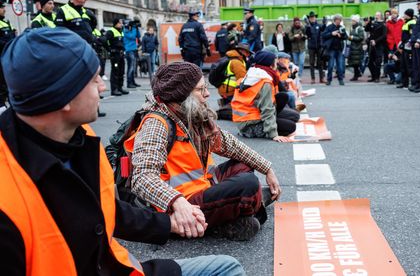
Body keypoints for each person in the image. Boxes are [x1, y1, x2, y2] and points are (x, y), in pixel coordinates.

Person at [0, 27, 245, 276]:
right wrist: (175, 204)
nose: (103, 87)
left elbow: (105, 209)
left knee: (227, 267)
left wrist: (168, 223)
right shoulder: (6, 205)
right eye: (94, 79)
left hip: (118, 266)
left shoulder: (79, 134)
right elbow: (140, 179)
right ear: (63, 96)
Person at [126, 61, 281, 241]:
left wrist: (267, 168)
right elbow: (142, 177)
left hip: (201, 187)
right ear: (182, 95)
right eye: (200, 90)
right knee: (248, 184)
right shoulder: (156, 124)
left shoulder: (190, 115)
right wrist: (177, 201)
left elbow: (230, 144)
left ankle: (234, 215)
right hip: (178, 204)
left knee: (243, 166)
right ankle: (240, 211)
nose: (207, 94)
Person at [232, 50, 299, 141]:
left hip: (245, 120)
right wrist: (273, 134)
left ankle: (270, 122)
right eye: (275, 63)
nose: (276, 66)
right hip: (250, 124)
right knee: (290, 126)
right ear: (270, 65)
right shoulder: (264, 82)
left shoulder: (251, 74)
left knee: (290, 110)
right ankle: (262, 129)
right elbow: (267, 108)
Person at [322, 14, 348, 85]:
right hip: (331, 49)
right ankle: (329, 80)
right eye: (338, 20)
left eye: (340, 20)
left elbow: (345, 36)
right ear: (335, 20)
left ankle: (341, 79)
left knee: (340, 65)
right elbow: (323, 35)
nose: (339, 22)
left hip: (339, 49)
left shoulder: (341, 27)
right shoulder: (329, 27)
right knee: (330, 65)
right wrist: (331, 34)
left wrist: (341, 36)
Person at [106, 18, 129, 96]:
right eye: (120, 23)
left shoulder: (121, 31)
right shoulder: (110, 31)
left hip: (121, 54)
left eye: (122, 23)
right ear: (116, 23)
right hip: (115, 55)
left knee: (121, 72)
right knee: (115, 72)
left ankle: (120, 88)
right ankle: (114, 89)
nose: (121, 24)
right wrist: (109, 49)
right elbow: (104, 40)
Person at [0, 0, 16, 109]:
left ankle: (11, 106)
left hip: (7, 58)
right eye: (2, 7)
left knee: (8, 83)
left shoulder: (6, 22)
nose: (4, 9)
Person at [396, 9, 416, 89]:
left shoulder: (412, 23)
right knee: (403, 65)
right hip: (405, 47)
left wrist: (406, 44)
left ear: (408, 15)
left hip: (409, 48)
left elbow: (411, 36)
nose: (403, 16)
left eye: (405, 14)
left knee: (409, 66)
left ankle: (413, 83)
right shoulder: (406, 23)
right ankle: (404, 83)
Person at [366, 12, 387, 83]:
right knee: (370, 63)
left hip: (379, 45)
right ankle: (373, 76)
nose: (376, 16)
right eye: (376, 15)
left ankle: (377, 77)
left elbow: (384, 35)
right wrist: (369, 22)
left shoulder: (383, 24)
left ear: (381, 16)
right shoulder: (373, 23)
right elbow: (366, 29)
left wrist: (376, 41)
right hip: (372, 45)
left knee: (378, 62)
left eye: (378, 15)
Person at [305, 11, 325, 83]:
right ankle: (313, 78)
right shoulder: (307, 26)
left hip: (319, 46)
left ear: (315, 18)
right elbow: (308, 34)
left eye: (313, 17)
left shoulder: (319, 25)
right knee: (312, 63)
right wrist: (307, 26)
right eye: (311, 17)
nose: (312, 18)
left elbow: (323, 30)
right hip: (311, 47)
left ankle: (321, 78)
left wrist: (324, 23)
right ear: (309, 18)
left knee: (320, 63)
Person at [123, 19, 141, 88]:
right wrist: (134, 28)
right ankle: (129, 83)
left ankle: (133, 82)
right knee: (130, 67)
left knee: (133, 67)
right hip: (129, 51)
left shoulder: (132, 30)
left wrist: (136, 28)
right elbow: (132, 36)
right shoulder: (125, 30)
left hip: (134, 50)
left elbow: (138, 36)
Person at [386, 8, 403, 76]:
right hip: (391, 43)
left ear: (397, 14)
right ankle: (392, 78)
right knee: (391, 59)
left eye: (395, 13)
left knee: (399, 59)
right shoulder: (388, 23)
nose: (393, 15)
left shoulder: (401, 22)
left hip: (399, 43)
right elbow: (386, 33)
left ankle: (399, 76)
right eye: (392, 13)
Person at [348, 14, 365, 81]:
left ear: (356, 21)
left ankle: (356, 75)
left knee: (357, 63)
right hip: (353, 48)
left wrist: (352, 37)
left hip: (357, 48)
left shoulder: (359, 29)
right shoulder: (352, 28)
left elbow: (361, 38)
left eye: (353, 21)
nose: (352, 22)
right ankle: (357, 74)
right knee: (354, 63)